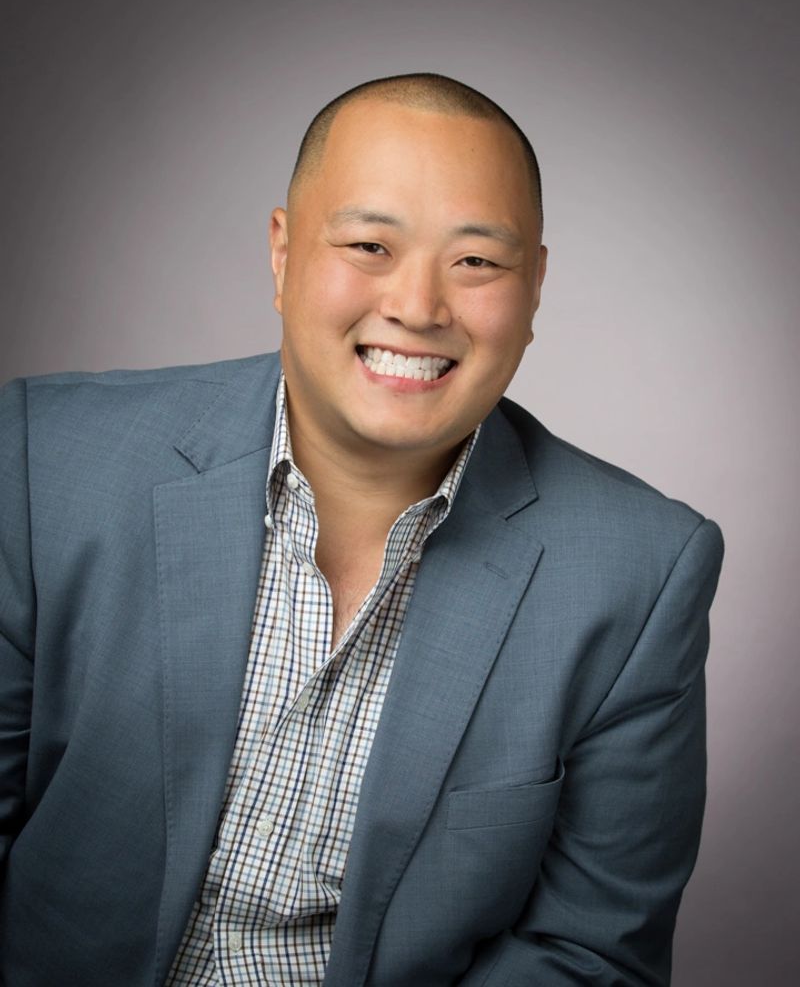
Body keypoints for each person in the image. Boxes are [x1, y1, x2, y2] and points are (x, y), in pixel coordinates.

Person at [0, 73, 723, 986]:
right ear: (283, 251)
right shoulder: (44, 461)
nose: (418, 307)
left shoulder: (639, 572)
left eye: (477, 263)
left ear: (536, 286)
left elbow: (588, 954)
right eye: (369, 244)